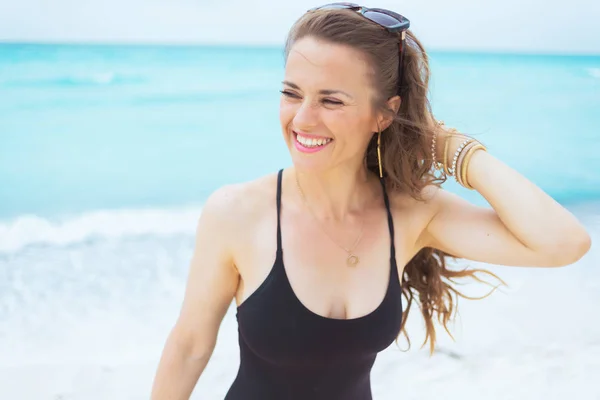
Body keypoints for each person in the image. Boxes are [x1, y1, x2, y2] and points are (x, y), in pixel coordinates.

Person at [150, 3, 592, 399]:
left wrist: (449, 145)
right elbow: (190, 346)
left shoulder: (412, 213)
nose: (302, 118)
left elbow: (561, 243)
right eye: (291, 93)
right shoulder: (237, 212)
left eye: (331, 100)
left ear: (384, 113)